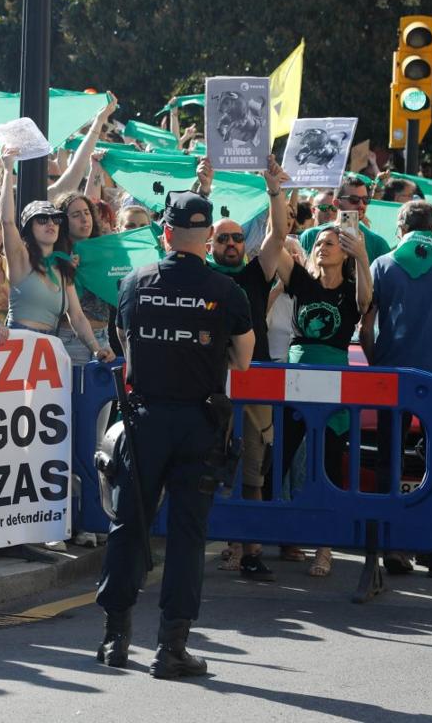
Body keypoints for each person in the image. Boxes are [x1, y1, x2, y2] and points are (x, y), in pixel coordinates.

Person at [97, 190, 254, 677]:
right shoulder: (228, 292)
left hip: (144, 420)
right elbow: (244, 360)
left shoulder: (133, 283)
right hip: (198, 423)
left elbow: (124, 344)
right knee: (187, 535)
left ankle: (114, 640)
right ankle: (171, 647)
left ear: (164, 233)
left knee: (129, 525)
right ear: (207, 237)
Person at [361, 200, 432, 578]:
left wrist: (379, 360)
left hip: (393, 377)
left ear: (400, 229)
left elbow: (366, 326)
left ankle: (392, 544)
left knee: (389, 459)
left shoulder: (383, 265)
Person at [198, 155, 289, 580]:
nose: (232, 244)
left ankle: (250, 549)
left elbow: (278, 234)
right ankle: (222, 543)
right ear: (210, 245)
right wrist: (203, 187)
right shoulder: (198, 273)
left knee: (253, 469)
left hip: (258, 383)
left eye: (237, 238)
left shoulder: (256, 274)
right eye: (223, 239)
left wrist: (274, 191)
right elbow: (178, 234)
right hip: (209, 387)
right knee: (211, 468)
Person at [274, 223, 373, 577]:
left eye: (331, 243)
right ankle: (251, 541)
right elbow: (272, 240)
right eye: (317, 242)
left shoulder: (350, 289)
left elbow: (365, 304)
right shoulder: (301, 281)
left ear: (345, 252)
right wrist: (274, 193)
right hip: (297, 380)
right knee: (279, 460)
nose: (322, 247)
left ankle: (324, 548)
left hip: (334, 382)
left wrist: (362, 254)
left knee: (328, 466)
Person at [0, 147, 116, 363]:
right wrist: (7, 170)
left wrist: (96, 349)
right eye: (42, 220)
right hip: (16, 349)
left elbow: (77, 317)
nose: (50, 224)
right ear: (29, 229)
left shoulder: (63, 266)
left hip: (48, 351)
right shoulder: (20, 259)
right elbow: (6, 221)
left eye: (55, 220)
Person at [54, 191, 113, 365]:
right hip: (70, 340)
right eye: (76, 215)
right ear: (63, 222)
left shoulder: (104, 252)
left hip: (103, 336)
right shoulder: (55, 257)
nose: (84, 219)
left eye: (87, 213)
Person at [298, 176, 391, 264]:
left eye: (365, 200)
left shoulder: (378, 244)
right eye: (354, 199)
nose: (361, 205)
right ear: (336, 203)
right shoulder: (311, 236)